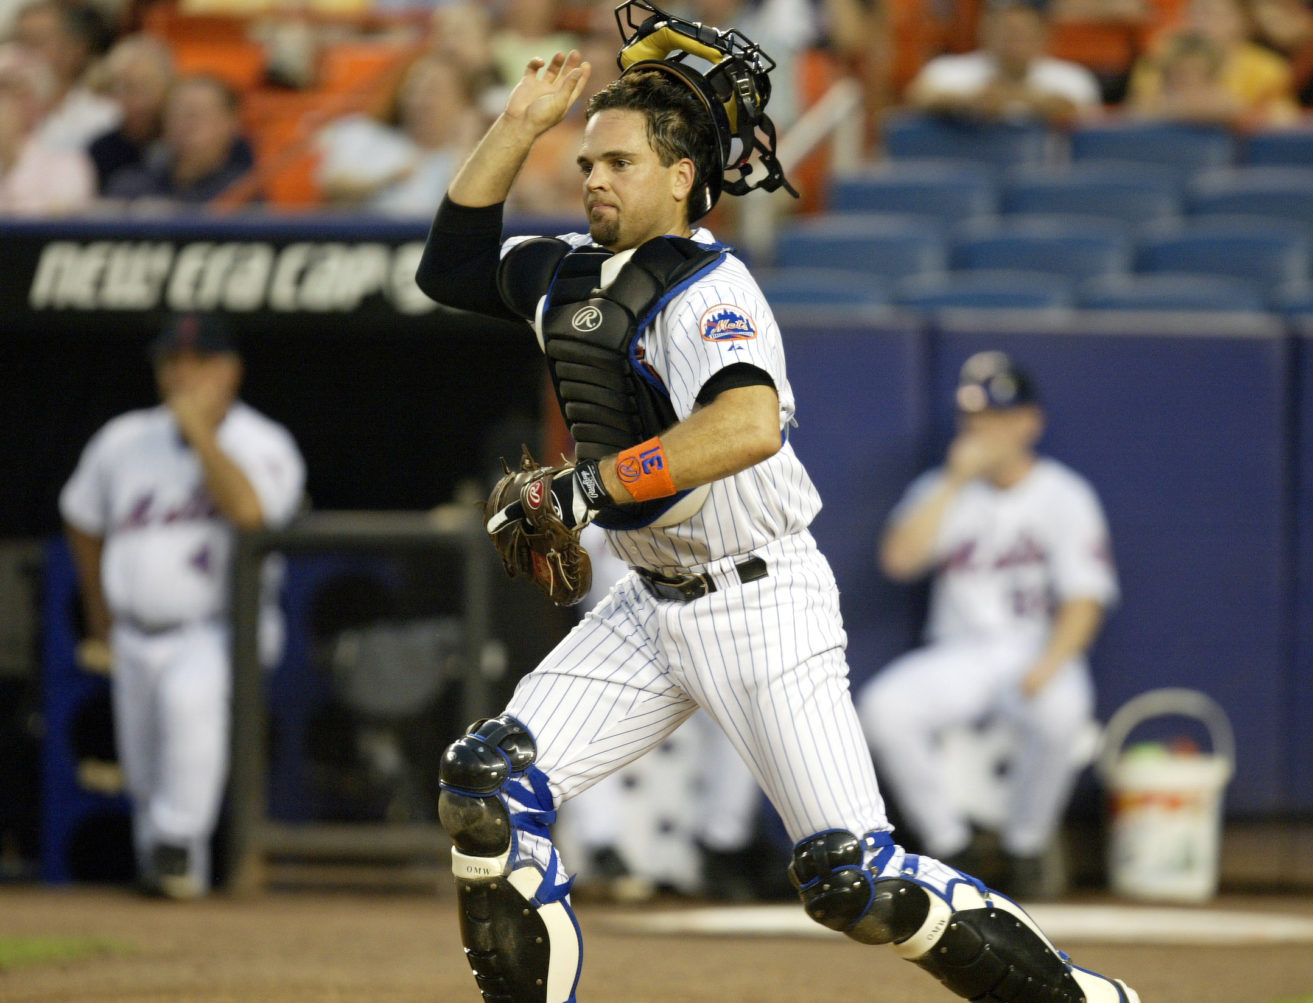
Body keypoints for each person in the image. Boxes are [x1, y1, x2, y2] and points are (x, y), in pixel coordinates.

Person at [414, 3, 1140, 1000]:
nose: (592, 178)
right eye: (587, 163)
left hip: (759, 602)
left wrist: (586, 486)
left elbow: (745, 425)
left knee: (855, 881)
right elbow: (448, 268)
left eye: (616, 162)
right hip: (648, 605)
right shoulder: (570, 273)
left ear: (679, 177)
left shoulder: (710, 287)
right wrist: (516, 126)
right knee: (486, 788)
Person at [59, 314, 305, 899]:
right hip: (137, 630)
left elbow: (252, 516)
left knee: (188, 703)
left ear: (230, 371)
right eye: (173, 363)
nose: (182, 375)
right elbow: (81, 516)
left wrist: (200, 435)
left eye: (197, 363)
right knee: (144, 771)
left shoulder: (263, 441)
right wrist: (98, 607)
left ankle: (176, 843)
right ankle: (171, 876)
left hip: (222, 630)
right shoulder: (123, 439)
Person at [858, 351, 1118, 902]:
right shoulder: (942, 489)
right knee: (884, 709)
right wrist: (954, 480)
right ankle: (952, 849)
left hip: (1037, 647)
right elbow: (900, 560)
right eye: (974, 421)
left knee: (1064, 711)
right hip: (960, 653)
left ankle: (1025, 850)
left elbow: (1085, 598)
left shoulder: (1064, 494)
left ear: (1030, 422)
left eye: (998, 419)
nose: (983, 432)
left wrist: (1051, 663)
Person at [315, 56, 480, 217]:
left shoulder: (463, 158)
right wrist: (386, 179)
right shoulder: (364, 133)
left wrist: (465, 145)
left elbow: (469, 214)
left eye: (433, 90)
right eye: (413, 88)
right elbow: (332, 184)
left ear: (462, 103)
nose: (420, 100)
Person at [903, 0, 1100, 128]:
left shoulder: (1071, 76)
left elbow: (1076, 108)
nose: (1012, 38)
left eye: (1022, 31)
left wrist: (1012, 99)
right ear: (984, 28)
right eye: (1004, 28)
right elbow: (918, 96)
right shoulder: (950, 70)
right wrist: (967, 102)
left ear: (1044, 33)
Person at [1126, 0, 1298, 128]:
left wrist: (1234, 111)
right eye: (1194, 13)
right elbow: (1137, 112)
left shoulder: (1267, 68)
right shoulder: (1161, 57)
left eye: (1211, 13)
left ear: (1242, 21)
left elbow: (1286, 120)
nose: (1200, 22)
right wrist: (1202, 110)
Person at [103, 73, 254, 207]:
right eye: (177, 113)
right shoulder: (131, 187)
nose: (186, 125)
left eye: (197, 115)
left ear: (230, 123)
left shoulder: (245, 193)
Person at [0, 40, 93, 214]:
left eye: (13, 90)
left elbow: (62, 216)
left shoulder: (64, 156)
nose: (3, 101)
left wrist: (9, 160)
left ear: (40, 100)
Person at [11, 0, 116, 151]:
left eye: (37, 41)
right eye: (19, 42)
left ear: (74, 49)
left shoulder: (102, 118)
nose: (24, 54)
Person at [87, 33, 174, 194]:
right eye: (124, 88)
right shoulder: (101, 150)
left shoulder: (183, 143)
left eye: (144, 86)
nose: (136, 100)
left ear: (168, 88)